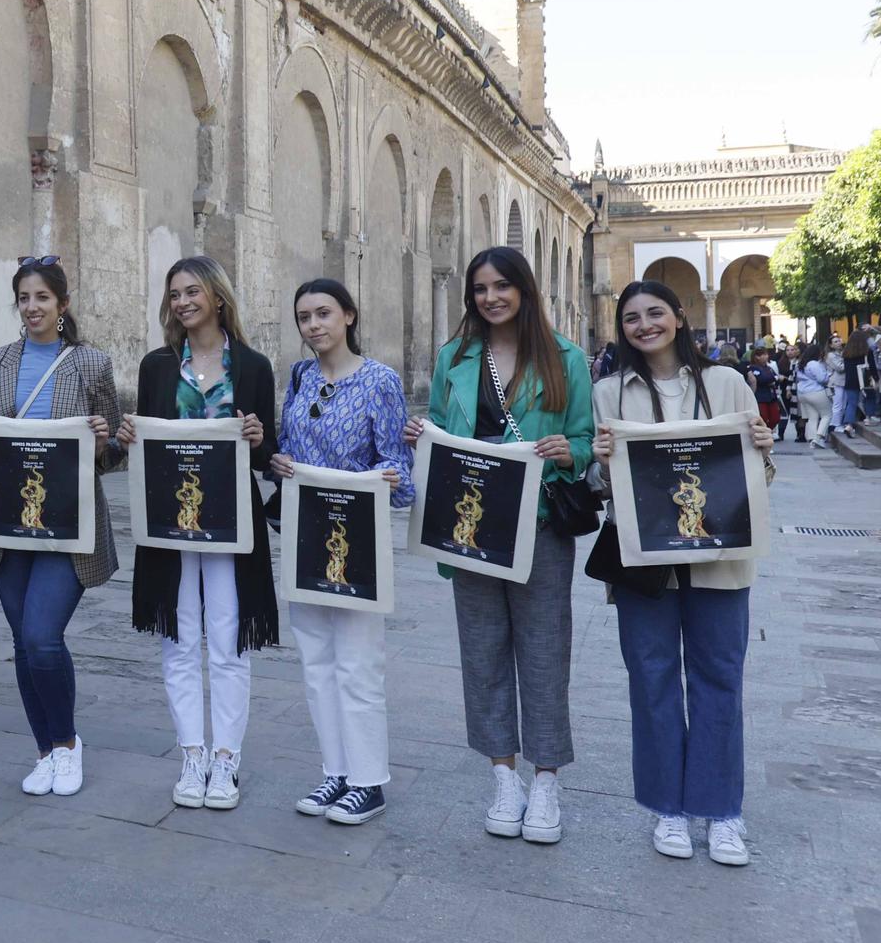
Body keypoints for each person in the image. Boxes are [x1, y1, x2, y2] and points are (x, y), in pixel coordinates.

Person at [403, 246, 593, 845]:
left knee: (544, 653)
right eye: (480, 288)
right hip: (472, 530)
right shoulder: (455, 358)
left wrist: (573, 451)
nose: (491, 297)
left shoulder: (566, 359)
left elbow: (584, 437)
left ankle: (546, 781)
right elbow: (439, 425)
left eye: (502, 286)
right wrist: (422, 438)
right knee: (483, 653)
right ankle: (502, 776)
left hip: (537, 526)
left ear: (524, 290)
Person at [592, 280, 774, 867]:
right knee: (652, 679)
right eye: (631, 318)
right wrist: (599, 468)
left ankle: (722, 810)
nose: (644, 325)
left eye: (655, 313)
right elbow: (602, 487)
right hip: (645, 563)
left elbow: (756, 478)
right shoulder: (609, 393)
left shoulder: (725, 383)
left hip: (719, 558)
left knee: (720, 678)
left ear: (679, 317)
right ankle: (668, 806)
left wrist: (762, 449)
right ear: (621, 330)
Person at [119, 256, 276, 812]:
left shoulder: (252, 366)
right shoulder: (157, 366)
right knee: (180, 638)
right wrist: (128, 435)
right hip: (171, 519)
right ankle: (192, 753)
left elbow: (270, 453)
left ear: (217, 296)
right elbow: (143, 439)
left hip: (232, 522)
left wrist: (258, 437)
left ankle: (227, 759)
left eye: (192, 291)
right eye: (175, 294)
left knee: (230, 638)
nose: (183, 302)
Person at [0, 256, 122, 798]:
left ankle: (69, 745)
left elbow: (116, 450)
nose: (32, 308)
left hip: (69, 522)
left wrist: (105, 440)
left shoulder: (92, 364)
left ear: (62, 305)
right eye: (24, 299)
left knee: (41, 637)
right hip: (9, 521)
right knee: (23, 643)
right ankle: (45, 751)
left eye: (42, 299)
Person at [264, 278, 409, 825]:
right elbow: (288, 444)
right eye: (303, 317)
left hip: (357, 533)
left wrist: (384, 478)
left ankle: (369, 779)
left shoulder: (380, 381)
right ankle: (336, 772)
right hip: (304, 530)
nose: (314, 325)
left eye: (323, 313)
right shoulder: (300, 376)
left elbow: (399, 466)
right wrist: (281, 463)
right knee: (316, 660)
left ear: (349, 315)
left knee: (357, 662)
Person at [796, 339, 834, 450]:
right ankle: (819, 437)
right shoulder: (814, 364)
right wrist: (828, 374)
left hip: (803, 393)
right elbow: (822, 379)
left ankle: (812, 439)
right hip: (816, 392)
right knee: (827, 415)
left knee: (812, 417)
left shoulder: (801, 364)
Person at [748, 347, 781, 439]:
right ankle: (764, 434)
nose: (766, 356)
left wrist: (774, 379)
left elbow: (776, 378)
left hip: (771, 396)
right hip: (761, 397)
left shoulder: (769, 368)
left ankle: (768, 431)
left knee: (775, 418)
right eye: (763, 354)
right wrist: (774, 379)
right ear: (757, 357)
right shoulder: (753, 368)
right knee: (763, 417)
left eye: (766, 354)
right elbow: (762, 379)